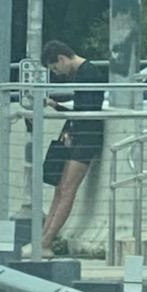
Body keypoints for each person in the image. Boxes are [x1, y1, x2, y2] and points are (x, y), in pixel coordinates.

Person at [37, 41, 108, 257]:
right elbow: (81, 108)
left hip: (86, 138)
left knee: (67, 189)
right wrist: (58, 107)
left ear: (61, 58)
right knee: (60, 188)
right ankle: (42, 238)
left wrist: (68, 122)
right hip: (80, 134)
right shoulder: (83, 72)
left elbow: (87, 109)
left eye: (55, 68)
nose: (58, 73)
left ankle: (46, 241)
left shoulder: (89, 73)